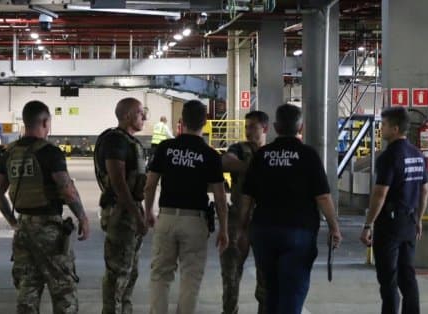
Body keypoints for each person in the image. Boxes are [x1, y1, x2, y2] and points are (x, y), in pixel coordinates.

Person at [239, 104, 342, 314]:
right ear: (300, 127)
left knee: (270, 291)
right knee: (292, 292)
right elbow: (322, 196)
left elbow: (247, 197)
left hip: (264, 231)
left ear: (275, 127)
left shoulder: (262, 155)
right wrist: (334, 227)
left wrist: (242, 229)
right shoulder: (308, 155)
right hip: (299, 232)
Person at [0, 100, 90, 314]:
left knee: (27, 291)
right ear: (45, 122)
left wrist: (13, 222)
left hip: (23, 231)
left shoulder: (9, 153)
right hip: (49, 231)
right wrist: (82, 217)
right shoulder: (50, 152)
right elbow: (67, 189)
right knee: (64, 292)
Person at [144, 99, 229, 314]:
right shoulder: (210, 155)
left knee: (160, 275)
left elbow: (150, 185)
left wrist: (148, 212)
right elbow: (220, 197)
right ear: (206, 121)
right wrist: (224, 230)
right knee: (191, 277)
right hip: (195, 220)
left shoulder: (166, 147)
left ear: (181, 121)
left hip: (167, 217)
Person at [360, 107, 428, 314]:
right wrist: (418, 218)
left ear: (395, 128)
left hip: (389, 224)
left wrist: (368, 224)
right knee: (408, 277)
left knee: (388, 279)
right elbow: (424, 191)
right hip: (409, 221)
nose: (382, 129)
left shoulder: (389, 156)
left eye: (384, 125)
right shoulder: (418, 155)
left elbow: (380, 194)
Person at [94, 97, 148, 314]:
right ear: (127, 116)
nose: (144, 117)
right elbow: (118, 182)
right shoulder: (116, 141)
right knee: (118, 272)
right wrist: (136, 214)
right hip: (121, 212)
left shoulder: (127, 140)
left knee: (130, 271)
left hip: (129, 209)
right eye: (140, 113)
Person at [220, 110, 269, 314]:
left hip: (264, 219)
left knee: (265, 274)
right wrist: (252, 168)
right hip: (238, 216)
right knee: (231, 272)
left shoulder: (271, 152)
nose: (248, 131)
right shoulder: (239, 149)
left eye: (253, 127)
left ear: (265, 128)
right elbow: (226, 161)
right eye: (246, 127)